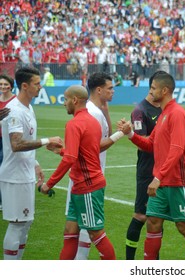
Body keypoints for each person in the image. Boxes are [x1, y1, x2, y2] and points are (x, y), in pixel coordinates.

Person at [119, 72, 185, 260]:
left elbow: (177, 148)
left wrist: (158, 178)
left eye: (153, 89)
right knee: (153, 222)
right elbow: (151, 143)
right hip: (162, 182)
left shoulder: (177, 113)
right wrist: (131, 134)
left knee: (184, 226)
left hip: (177, 181)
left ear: (164, 90)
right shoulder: (165, 114)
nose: (150, 92)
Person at [40, 85, 116, 260]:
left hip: (87, 187)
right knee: (70, 231)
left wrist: (48, 184)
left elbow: (70, 159)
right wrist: (59, 151)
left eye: (65, 99)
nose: (64, 103)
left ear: (74, 100)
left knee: (96, 234)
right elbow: (83, 153)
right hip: (81, 186)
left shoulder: (74, 124)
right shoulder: (92, 122)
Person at [0, 66, 62, 260]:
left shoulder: (29, 107)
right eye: (36, 83)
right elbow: (16, 144)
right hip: (14, 176)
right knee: (17, 223)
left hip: (25, 174)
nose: (40, 86)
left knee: (26, 223)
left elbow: (26, 140)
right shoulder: (15, 112)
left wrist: (35, 163)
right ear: (25, 86)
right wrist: (46, 141)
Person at [67, 72, 122, 259]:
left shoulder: (97, 110)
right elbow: (94, 147)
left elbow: (106, 133)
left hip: (91, 177)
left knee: (79, 229)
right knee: (89, 230)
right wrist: (122, 134)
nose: (113, 91)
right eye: (110, 88)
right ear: (99, 90)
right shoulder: (91, 113)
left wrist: (105, 106)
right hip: (86, 179)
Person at [125, 71, 162, 260]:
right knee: (141, 216)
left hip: (164, 171)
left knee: (157, 219)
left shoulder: (165, 108)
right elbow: (141, 140)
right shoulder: (140, 110)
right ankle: (129, 262)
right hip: (148, 169)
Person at [0, 74, 16, 210]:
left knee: (6, 168)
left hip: (9, 140)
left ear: (11, 85)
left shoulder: (15, 101)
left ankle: (7, 198)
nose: (3, 87)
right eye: (1, 84)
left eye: (6, 84)